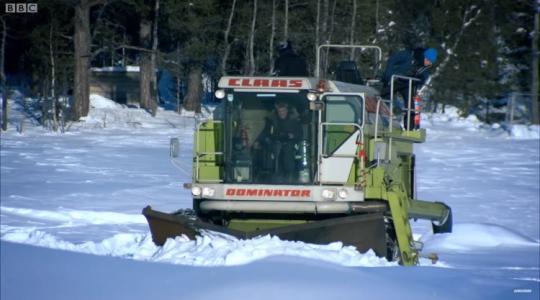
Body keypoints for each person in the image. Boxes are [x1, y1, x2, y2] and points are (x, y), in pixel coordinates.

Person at [381, 47, 437, 128]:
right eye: (428, 60)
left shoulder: (424, 67)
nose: (428, 63)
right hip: (394, 80)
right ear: (423, 56)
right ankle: (382, 120)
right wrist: (388, 75)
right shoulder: (408, 55)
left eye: (430, 62)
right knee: (384, 98)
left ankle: (410, 128)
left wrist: (420, 81)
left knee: (411, 104)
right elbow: (392, 59)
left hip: (407, 83)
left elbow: (424, 76)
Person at [254, 101, 303, 182]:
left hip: (291, 146)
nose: (282, 113)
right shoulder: (272, 121)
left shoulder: (294, 121)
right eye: (280, 111)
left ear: (287, 110)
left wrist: (292, 136)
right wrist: (258, 141)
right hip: (275, 145)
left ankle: (289, 176)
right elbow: (265, 132)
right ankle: (272, 175)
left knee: (289, 157)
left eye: (283, 111)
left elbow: (300, 135)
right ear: (277, 111)